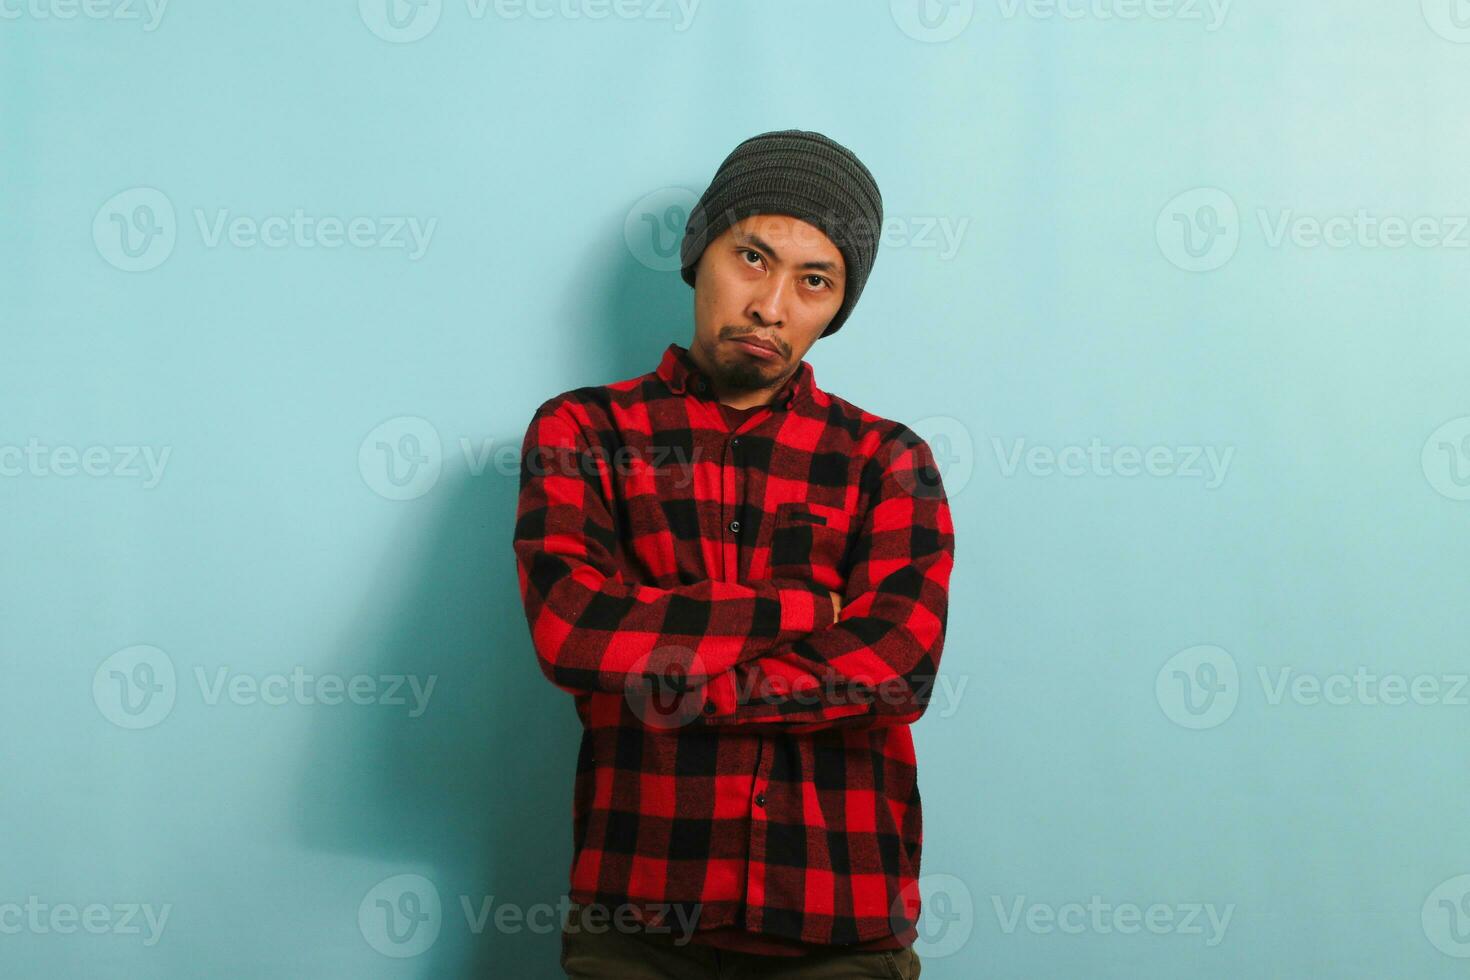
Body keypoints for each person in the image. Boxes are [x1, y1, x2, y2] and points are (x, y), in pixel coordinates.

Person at [513, 128, 954, 979]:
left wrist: (674, 687)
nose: (771, 306)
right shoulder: (582, 433)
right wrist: (806, 613)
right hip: (637, 922)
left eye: (813, 281)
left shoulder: (887, 458)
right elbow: (574, 631)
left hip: (839, 924)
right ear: (699, 252)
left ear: (837, 306)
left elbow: (898, 668)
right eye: (752, 258)